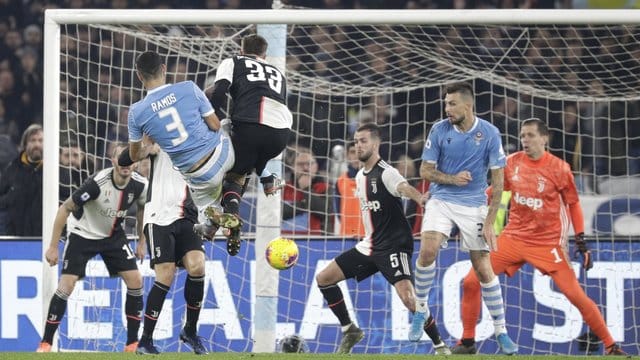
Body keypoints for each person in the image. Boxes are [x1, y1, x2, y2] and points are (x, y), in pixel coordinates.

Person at [452, 118, 627, 356]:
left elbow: (573, 205)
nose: (525, 140)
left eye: (531, 135)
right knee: (471, 281)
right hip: (513, 238)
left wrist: (581, 241)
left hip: (546, 244)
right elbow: (493, 191)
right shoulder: (512, 163)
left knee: (576, 295)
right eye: (523, 135)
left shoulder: (560, 169)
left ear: (544, 138)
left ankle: (610, 345)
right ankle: (468, 341)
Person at [316, 124, 450, 355]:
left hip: (393, 246)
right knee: (324, 278)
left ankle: (440, 346)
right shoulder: (359, 176)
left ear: (376, 144)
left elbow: (403, 187)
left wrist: (420, 198)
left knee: (409, 299)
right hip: (370, 245)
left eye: (363, 141)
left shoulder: (387, 172)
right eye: (356, 141)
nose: (358, 145)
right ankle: (350, 329)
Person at [411, 82, 518, 354]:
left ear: (468, 106)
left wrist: (492, 221)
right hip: (442, 200)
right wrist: (452, 179)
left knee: (483, 268)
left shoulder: (490, 134)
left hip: (474, 206)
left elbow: (499, 181)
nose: (447, 109)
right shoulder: (439, 130)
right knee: (427, 251)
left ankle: (501, 330)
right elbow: (425, 170)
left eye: (452, 104)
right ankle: (420, 311)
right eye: (446, 103)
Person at [121, 51, 240, 256]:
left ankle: (215, 220)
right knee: (234, 142)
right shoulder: (189, 87)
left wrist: (151, 144)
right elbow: (214, 125)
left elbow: (133, 155)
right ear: (164, 69)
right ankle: (233, 205)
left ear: (139, 76)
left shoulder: (137, 112)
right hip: (224, 152)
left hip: (201, 176)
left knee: (204, 207)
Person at [36, 144, 147, 353]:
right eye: (119, 158)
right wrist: (53, 247)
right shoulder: (97, 183)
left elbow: (143, 208)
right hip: (83, 234)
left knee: (136, 280)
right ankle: (46, 343)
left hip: (113, 236)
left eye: (129, 159)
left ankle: (132, 344)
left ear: (135, 162)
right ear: (112, 161)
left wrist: (142, 241)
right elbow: (65, 208)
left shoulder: (140, 184)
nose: (125, 163)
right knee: (66, 286)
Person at [209, 33, 292, 241]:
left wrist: (209, 123)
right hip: (281, 135)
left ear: (241, 50)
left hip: (250, 126)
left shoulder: (233, 62)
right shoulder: (278, 74)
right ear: (264, 54)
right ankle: (267, 178)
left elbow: (219, 92)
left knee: (232, 173)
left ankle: (226, 217)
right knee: (246, 165)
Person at [135, 148, 208, 355]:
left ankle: (190, 331)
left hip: (188, 215)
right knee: (165, 275)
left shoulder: (200, 137)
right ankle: (146, 340)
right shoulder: (159, 132)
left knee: (198, 266)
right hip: (158, 216)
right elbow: (128, 156)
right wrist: (144, 146)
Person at [0, 123, 43, 236]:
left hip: (45, 235)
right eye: (33, 140)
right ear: (25, 144)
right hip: (16, 235)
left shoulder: (56, 170)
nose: (37, 144)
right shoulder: (12, 168)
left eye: (40, 140)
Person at [282, 148, 331, 234]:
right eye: (300, 164)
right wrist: (305, 205)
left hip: (314, 242)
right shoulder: (283, 188)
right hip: (285, 241)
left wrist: (306, 189)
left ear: (316, 167)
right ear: (293, 168)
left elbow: (324, 213)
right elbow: (279, 213)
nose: (305, 168)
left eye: (309, 164)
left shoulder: (325, 188)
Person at [334, 142, 364, 238]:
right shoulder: (340, 182)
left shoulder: (374, 180)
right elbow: (338, 213)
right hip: (347, 237)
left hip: (370, 238)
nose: (356, 156)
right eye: (352, 152)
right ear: (347, 156)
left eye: (360, 151)